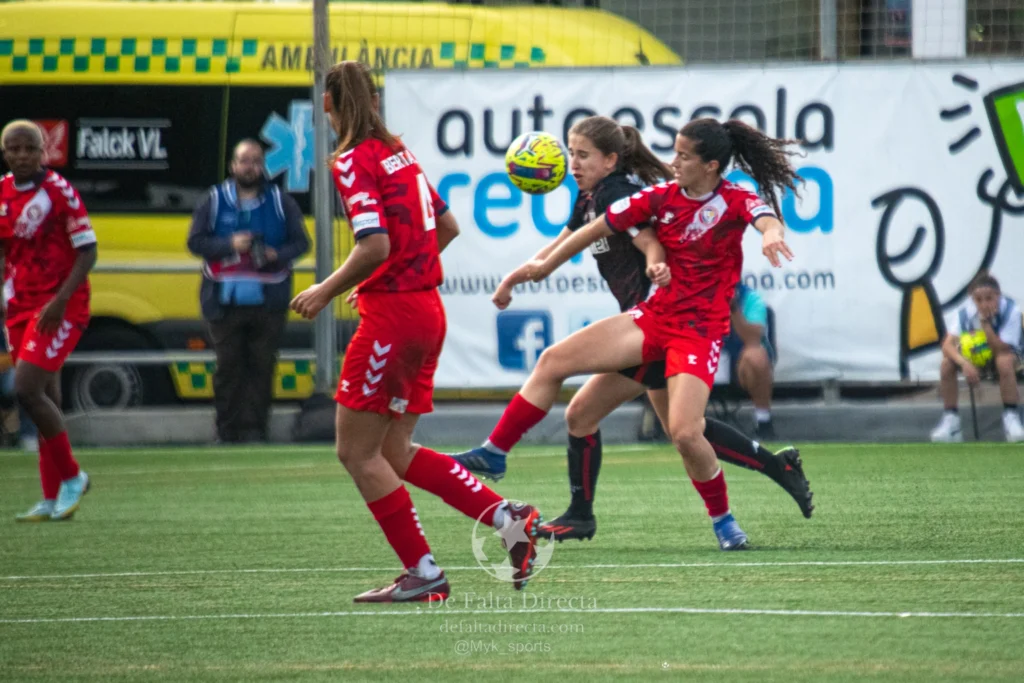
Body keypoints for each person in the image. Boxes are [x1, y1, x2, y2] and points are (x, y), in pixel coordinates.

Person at [454, 116, 812, 543]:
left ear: (712, 165)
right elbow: (595, 228)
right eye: (674, 152)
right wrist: (537, 269)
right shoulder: (658, 195)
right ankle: (498, 456)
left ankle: (726, 521)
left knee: (684, 431)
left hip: (698, 330)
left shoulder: (734, 197)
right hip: (654, 317)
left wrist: (771, 235)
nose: (673, 162)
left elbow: (765, 217)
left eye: (683, 156)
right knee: (562, 380)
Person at [289, 61, 545, 603]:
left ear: (329, 105)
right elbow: (447, 227)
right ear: (375, 102)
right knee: (395, 450)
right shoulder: (401, 154)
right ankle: (509, 519)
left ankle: (424, 573)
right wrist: (395, 277)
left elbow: (374, 244)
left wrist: (324, 290)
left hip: (394, 321)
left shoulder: (353, 159)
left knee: (357, 454)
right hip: (427, 311)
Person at [0, 120, 95, 521]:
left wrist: (59, 301)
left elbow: (87, 250)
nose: (21, 155)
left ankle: (73, 476)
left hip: (59, 308)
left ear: (43, 151)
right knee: (45, 399)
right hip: (19, 306)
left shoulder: (58, 192)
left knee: (26, 388)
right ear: (5, 152)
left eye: (29, 148)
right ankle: (53, 496)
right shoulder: (3, 191)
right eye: (13, 148)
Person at [187, 140, 310, 443]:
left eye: (256, 161)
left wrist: (274, 255)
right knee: (228, 367)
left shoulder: (280, 201)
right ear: (233, 166)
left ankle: (256, 431)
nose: (250, 167)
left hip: (269, 300)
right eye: (244, 161)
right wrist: (230, 245)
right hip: (223, 300)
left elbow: (301, 243)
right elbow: (195, 242)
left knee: (262, 366)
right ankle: (226, 432)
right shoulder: (214, 200)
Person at [931, 271, 1024, 442]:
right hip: (974, 358)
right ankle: (951, 420)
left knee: (1004, 361)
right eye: (978, 300)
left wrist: (986, 325)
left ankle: (1011, 417)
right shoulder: (964, 313)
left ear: (998, 296)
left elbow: (1002, 349)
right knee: (946, 364)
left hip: (1006, 355)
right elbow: (947, 345)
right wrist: (964, 363)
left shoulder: (1011, 311)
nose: (984, 304)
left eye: (989, 298)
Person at [724, 282, 777, 438]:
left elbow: (752, 339)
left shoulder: (750, 298)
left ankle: (763, 420)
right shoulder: (695, 294)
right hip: (700, 360)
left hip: (736, 366)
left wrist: (733, 308)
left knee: (756, 355)